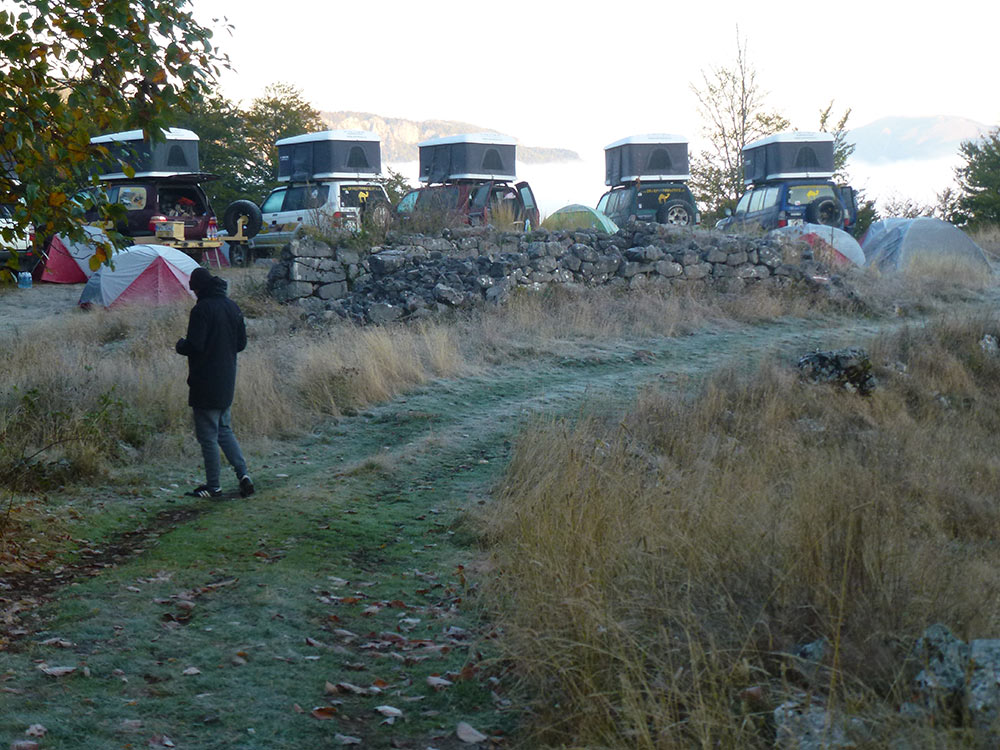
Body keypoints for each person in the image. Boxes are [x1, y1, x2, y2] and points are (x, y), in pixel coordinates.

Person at [175, 267, 254, 498]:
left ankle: (213, 487)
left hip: (204, 382)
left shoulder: (201, 310)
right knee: (224, 430)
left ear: (199, 288)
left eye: (194, 289)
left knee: (208, 437)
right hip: (227, 379)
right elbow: (241, 344)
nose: (194, 293)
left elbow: (195, 345)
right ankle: (243, 475)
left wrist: (181, 345)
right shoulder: (232, 306)